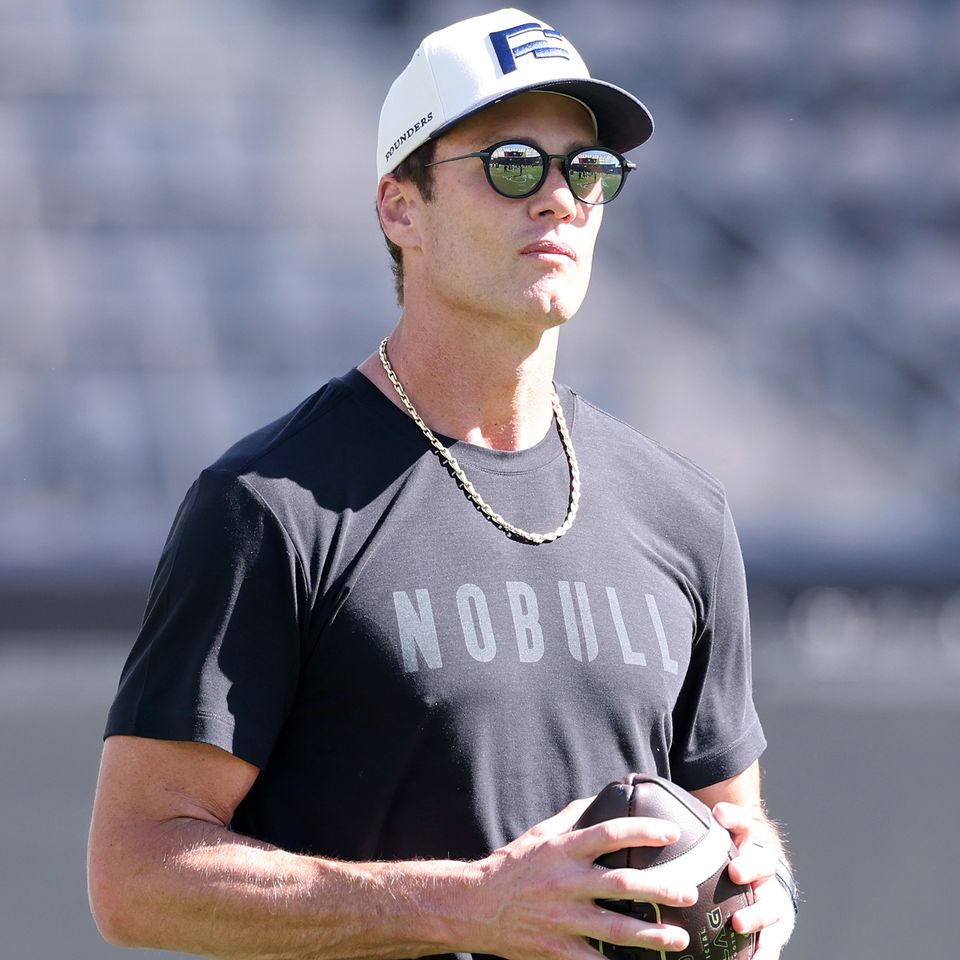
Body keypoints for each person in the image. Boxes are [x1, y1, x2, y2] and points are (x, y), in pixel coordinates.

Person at [88, 9, 798, 960]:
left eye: (587, 171)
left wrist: (764, 888)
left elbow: (730, 819)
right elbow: (135, 874)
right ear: (400, 207)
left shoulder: (684, 512)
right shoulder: (271, 505)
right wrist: (464, 905)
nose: (557, 199)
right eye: (513, 165)